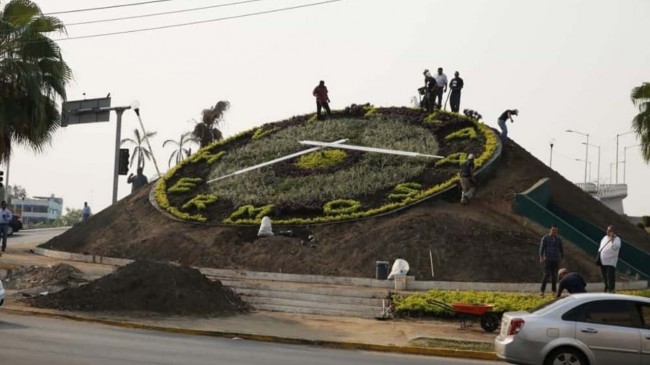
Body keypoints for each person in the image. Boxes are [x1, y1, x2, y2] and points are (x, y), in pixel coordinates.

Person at [539, 224, 564, 296]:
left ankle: (554, 291)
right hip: (548, 259)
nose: (554, 231)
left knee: (554, 276)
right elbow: (542, 248)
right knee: (546, 275)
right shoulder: (546, 238)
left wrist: (562, 256)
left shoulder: (558, 239)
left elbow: (561, 248)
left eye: (556, 230)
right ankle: (542, 291)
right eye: (553, 230)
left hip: (556, 259)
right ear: (550, 230)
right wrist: (541, 256)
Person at [597, 225, 621, 293]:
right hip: (603, 260)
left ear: (613, 232)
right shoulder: (604, 238)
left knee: (610, 277)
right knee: (604, 277)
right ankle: (606, 289)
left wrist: (612, 239)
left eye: (610, 230)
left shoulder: (617, 239)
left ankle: (611, 290)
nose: (608, 232)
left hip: (611, 261)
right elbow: (600, 247)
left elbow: (615, 247)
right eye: (607, 230)